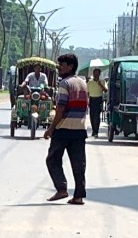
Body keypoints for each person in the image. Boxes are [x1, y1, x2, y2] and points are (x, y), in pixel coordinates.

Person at [45, 53, 89, 204]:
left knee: (52, 159)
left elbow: (61, 109)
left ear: (70, 67)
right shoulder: (83, 83)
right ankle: (78, 196)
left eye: (61, 65)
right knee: (79, 164)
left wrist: (51, 128)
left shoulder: (65, 84)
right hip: (80, 129)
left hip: (63, 129)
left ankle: (61, 189)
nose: (58, 68)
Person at [86, 67, 107, 138]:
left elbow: (106, 90)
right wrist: (88, 100)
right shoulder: (90, 82)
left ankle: (96, 131)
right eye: (94, 73)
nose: (95, 74)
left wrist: (100, 84)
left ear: (99, 74)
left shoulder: (102, 81)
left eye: (97, 73)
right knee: (92, 116)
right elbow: (87, 92)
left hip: (99, 99)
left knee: (97, 116)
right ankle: (93, 130)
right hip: (92, 99)